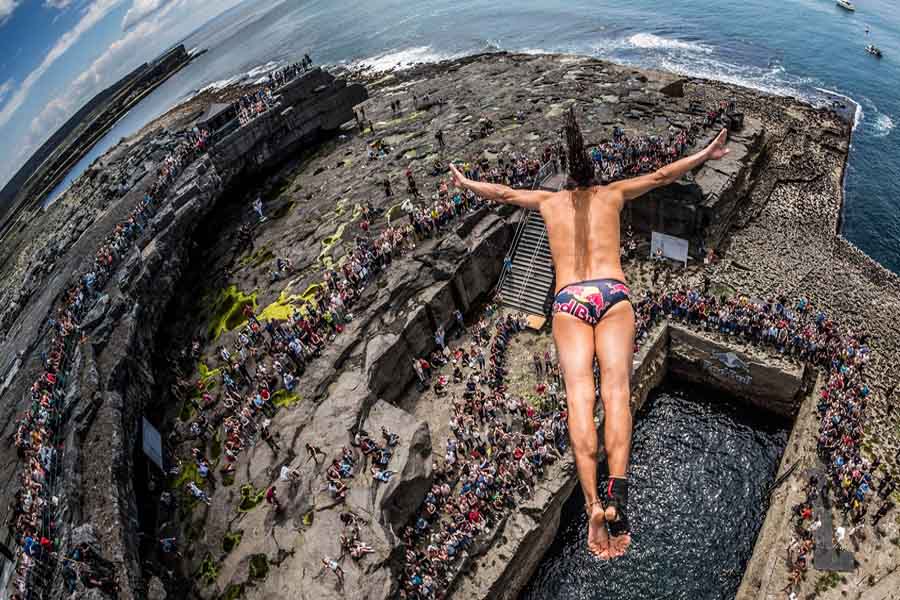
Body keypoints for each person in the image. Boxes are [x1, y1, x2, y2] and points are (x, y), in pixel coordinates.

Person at [449, 107, 730, 559]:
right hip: (612, 293)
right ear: (595, 174)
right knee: (617, 391)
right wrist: (706, 152)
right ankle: (618, 495)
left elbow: (501, 192)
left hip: (568, 300)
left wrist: (466, 184)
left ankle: (594, 504)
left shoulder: (547, 201)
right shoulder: (613, 193)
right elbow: (661, 175)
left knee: (580, 397)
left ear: (564, 181)